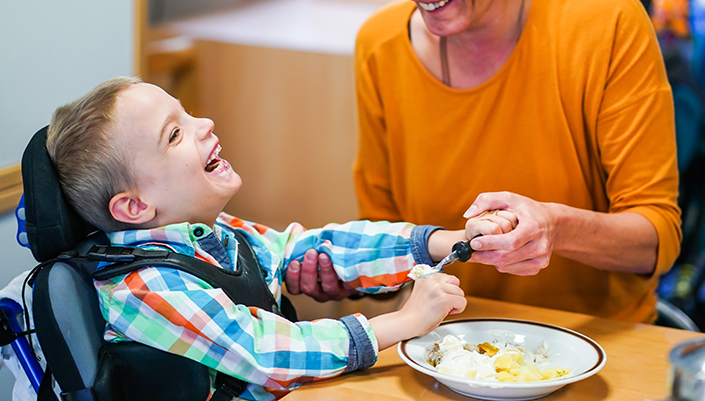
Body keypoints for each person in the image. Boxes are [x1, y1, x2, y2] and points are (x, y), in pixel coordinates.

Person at [286, 0, 681, 324]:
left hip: (592, 337)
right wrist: (353, 275)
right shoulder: (381, 45)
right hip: (444, 344)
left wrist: (555, 226)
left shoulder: (604, 23)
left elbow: (657, 241)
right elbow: (391, 239)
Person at [45, 76, 515, 400]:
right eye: (175, 134)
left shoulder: (217, 234)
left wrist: (445, 241)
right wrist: (405, 322)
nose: (204, 124)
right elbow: (263, 352)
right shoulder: (146, 289)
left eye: (188, 114)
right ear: (134, 208)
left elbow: (310, 249)